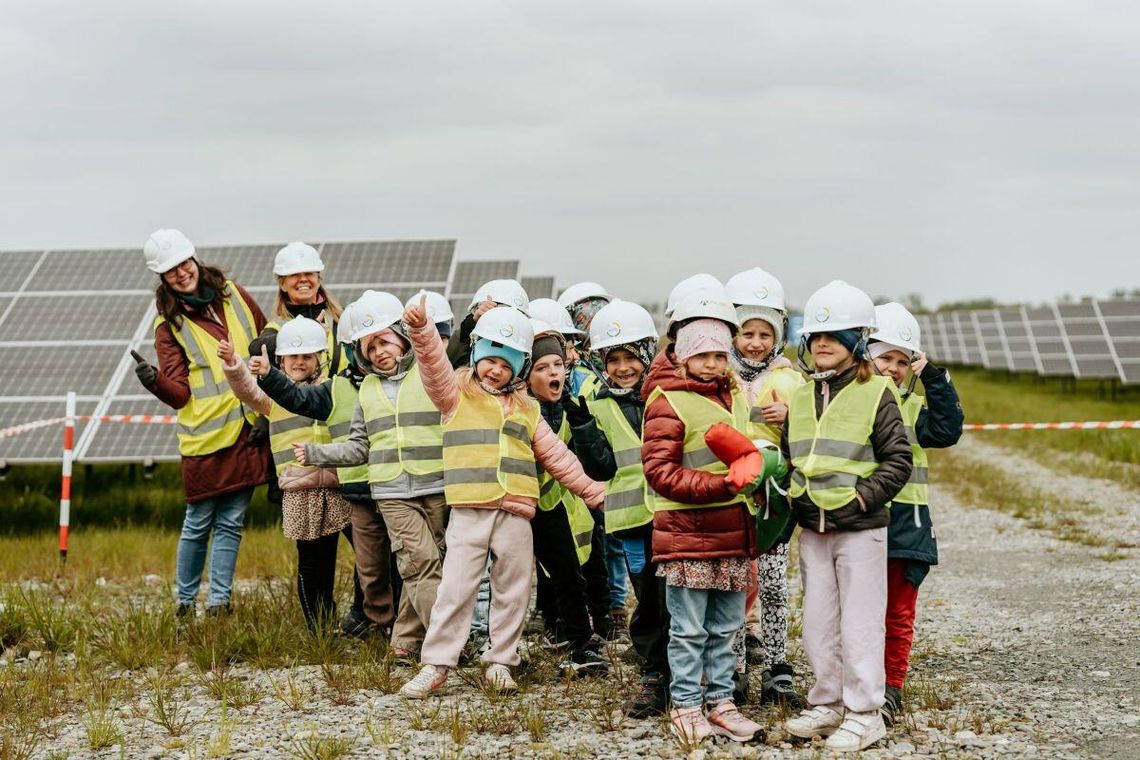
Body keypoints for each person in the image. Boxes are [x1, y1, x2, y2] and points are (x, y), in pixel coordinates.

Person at [398, 301, 605, 698]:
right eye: (489, 360)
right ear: (475, 355)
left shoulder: (528, 409)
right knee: (456, 588)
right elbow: (432, 364)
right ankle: (437, 664)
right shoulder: (454, 394)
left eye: (506, 365)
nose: (495, 370)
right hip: (469, 510)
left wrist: (592, 491)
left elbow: (558, 457)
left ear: (520, 368)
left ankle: (500, 662)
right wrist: (422, 331)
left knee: (514, 589)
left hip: (515, 513)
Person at [781, 281, 913, 753]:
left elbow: (898, 460)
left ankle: (865, 712)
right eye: (816, 336)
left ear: (857, 341)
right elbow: (792, 456)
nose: (822, 343)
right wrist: (792, 493)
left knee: (860, 622)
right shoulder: (801, 397)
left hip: (859, 528)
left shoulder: (877, 392)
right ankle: (829, 702)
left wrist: (859, 500)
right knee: (818, 622)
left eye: (833, 336)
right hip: (812, 528)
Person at [290, 290, 448, 660]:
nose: (378, 352)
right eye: (369, 347)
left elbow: (436, 356)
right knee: (420, 564)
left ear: (402, 338)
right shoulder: (368, 391)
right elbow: (359, 446)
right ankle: (448, 642)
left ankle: (404, 641)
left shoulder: (429, 374)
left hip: (435, 485)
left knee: (430, 566)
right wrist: (316, 454)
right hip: (391, 491)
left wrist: (422, 328)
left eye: (384, 341)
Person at [640, 292, 768, 744]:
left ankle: (721, 703)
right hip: (687, 536)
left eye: (719, 355)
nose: (712, 364)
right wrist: (722, 485)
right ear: (683, 355)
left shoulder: (734, 397)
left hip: (732, 531)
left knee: (726, 627)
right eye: (702, 355)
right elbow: (660, 472)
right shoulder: (667, 402)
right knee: (689, 629)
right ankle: (686, 705)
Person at [131, 228, 269, 618]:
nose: (181, 273)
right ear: (162, 278)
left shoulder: (235, 294)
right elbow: (180, 393)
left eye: (183, 263)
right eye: (170, 270)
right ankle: (185, 603)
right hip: (206, 437)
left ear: (195, 259)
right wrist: (155, 381)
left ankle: (219, 603)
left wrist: (267, 411)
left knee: (232, 522)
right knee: (198, 522)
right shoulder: (168, 325)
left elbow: (265, 341)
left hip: (248, 428)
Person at [566, 299, 672, 716]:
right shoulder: (597, 405)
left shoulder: (666, 396)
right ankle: (654, 672)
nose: (623, 368)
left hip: (670, 516)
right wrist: (583, 428)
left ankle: (684, 670)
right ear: (602, 363)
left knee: (675, 595)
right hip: (630, 521)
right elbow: (601, 468)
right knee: (646, 597)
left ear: (647, 354)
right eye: (614, 360)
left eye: (631, 358)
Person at [221, 317, 353, 630]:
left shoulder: (331, 391)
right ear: (281, 360)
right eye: (293, 357)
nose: (299, 362)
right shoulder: (272, 396)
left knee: (341, 554)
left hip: (336, 486)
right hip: (298, 490)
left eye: (307, 356)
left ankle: (354, 614)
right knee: (311, 560)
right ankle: (318, 626)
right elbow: (246, 389)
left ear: (320, 358)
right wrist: (233, 364)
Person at [867, 303, 963, 725]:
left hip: (907, 524)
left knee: (898, 612)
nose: (892, 368)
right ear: (865, 356)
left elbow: (947, 429)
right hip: (860, 519)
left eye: (902, 361)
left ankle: (892, 687)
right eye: (884, 357)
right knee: (858, 610)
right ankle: (860, 684)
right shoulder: (847, 402)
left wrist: (935, 378)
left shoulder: (913, 408)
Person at [724, 267, 805, 706]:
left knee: (773, 587)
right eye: (747, 333)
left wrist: (791, 420)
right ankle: (735, 669)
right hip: (734, 497)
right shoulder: (721, 378)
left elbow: (812, 436)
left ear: (778, 336)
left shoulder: (792, 381)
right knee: (737, 585)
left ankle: (777, 670)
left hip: (776, 500)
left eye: (765, 334)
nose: (756, 342)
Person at [525, 320, 610, 675]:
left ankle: (582, 645)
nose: (553, 373)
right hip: (518, 507)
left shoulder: (570, 409)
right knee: (511, 580)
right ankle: (501, 651)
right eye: (542, 368)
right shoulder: (521, 410)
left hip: (552, 505)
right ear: (526, 376)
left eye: (557, 365)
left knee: (569, 573)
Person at [558, 282, 631, 635]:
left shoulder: (606, 366)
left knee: (613, 539)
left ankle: (615, 603)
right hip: (578, 460)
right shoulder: (570, 370)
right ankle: (589, 604)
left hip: (611, 461)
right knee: (588, 540)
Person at [248, 242, 345, 376]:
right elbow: (256, 348)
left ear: (318, 279)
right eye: (294, 274)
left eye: (309, 273)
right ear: (282, 284)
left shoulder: (343, 318)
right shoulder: (277, 326)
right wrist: (308, 332)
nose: (303, 279)